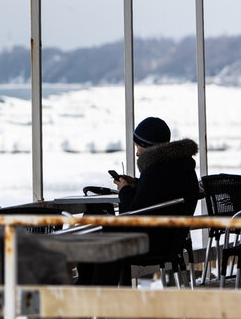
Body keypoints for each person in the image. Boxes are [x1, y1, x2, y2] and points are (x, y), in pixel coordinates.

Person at [77, 117, 199, 285]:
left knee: (94, 227)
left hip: (150, 243)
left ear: (148, 146)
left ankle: (92, 288)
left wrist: (125, 190)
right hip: (170, 240)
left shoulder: (155, 172)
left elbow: (131, 216)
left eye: (138, 146)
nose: (136, 153)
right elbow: (161, 193)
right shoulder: (180, 168)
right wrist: (138, 183)